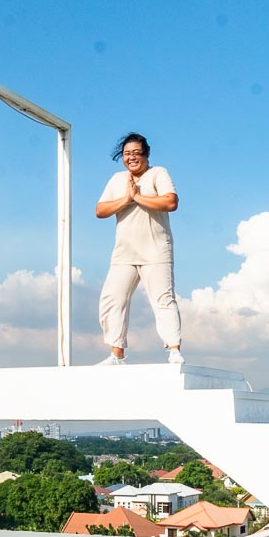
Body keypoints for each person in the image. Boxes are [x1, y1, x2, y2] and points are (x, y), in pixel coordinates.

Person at [95, 132, 183, 365]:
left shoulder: (158, 173)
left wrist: (138, 196)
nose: (131, 157)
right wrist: (127, 198)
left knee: (163, 299)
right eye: (126, 153)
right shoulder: (117, 179)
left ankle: (174, 350)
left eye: (136, 152)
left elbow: (170, 202)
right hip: (124, 252)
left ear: (146, 153)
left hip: (156, 250)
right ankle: (117, 355)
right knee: (112, 299)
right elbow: (100, 210)